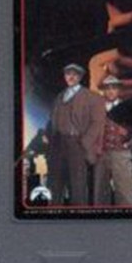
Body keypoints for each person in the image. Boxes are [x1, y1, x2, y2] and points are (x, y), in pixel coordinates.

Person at [46, 63, 105, 205]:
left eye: (75, 74)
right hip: (58, 144)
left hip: (77, 144)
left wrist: (84, 143)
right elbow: (52, 120)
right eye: (68, 74)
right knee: (55, 185)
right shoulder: (60, 96)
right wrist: (50, 138)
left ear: (80, 77)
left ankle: (78, 215)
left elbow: (97, 122)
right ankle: (52, 215)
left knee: (77, 186)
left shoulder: (92, 97)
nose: (71, 77)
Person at [93, 76, 132, 206]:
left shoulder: (128, 108)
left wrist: (130, 136)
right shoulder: (95, 108)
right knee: (100, 194)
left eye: (114, 88)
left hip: (121, 153)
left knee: (125, 193)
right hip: (101, 154)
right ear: (103, 90)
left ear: (119, 90)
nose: (111, 91)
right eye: (108, 88)